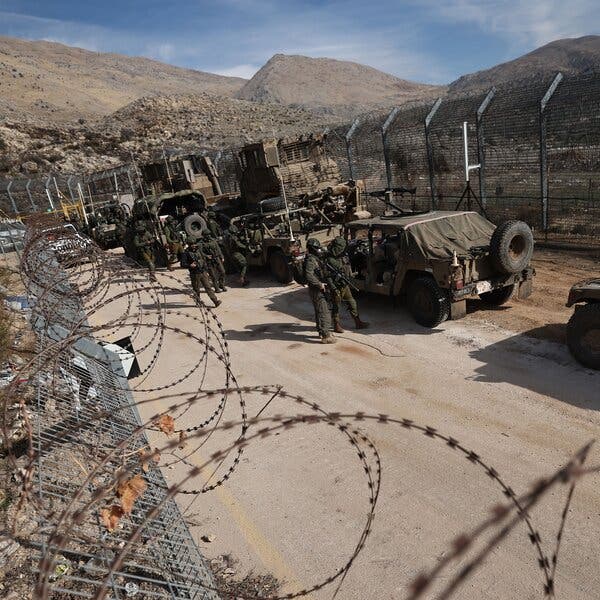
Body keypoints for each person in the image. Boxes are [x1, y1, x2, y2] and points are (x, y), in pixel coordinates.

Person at [325, 236, 369, 333]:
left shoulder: (342, 256)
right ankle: (336, 325)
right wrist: (333, 288)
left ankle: (358, 322)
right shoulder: (329, 260)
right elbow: (327, 276)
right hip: (336, 287)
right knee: (336, 307)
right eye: (341, 247)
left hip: (344, 284)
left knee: (352, 302)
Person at [304, 238, 335, 344]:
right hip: (316, 289)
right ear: (312, 249)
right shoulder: (311, 260)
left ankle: (322, 331)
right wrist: (319, 284)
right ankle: (326, 336)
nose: (318, 250)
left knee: (320, 311)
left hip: (318, 288)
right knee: (323, 311)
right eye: (316, 248)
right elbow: (309, 275)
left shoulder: (314, 258)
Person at [182, 237, 221, 307]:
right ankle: (198, 302)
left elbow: (203, 256)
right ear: (189, 244)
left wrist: (207, 257)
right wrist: (190, 265)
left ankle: (215, 301)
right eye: (192, 244)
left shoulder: (198, 250)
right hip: (194, 274)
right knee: (196, 289)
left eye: (194, 243)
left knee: (208, 287)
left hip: (203, 272)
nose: (194, 245)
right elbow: (183, 264)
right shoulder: (186, 253)